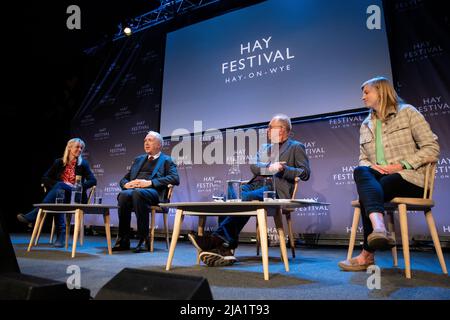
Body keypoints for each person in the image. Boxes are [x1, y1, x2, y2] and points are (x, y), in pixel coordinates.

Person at [338, 76, 440, 271]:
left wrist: (401, 165)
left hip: (412, 179)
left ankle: (367, 253)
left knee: (371, 193)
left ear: (381, 92)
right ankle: (379, 228)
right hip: (381, 180)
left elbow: (431, 148)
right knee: (362, 170)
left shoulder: (408, 113)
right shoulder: (366, 124)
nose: (362, 97)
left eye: (366, 92)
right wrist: (374, 167)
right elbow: (363, 159)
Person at [188, 114, 311, 266]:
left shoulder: (295, 147)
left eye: (270, 127)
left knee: (245, 199)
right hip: (255, 184)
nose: (267, 130)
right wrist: (268, 167)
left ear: (282, 129)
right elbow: (254, 166)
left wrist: (283, 168)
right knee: (231, 196)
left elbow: (305, 173)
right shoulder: (265, 147)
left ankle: (217, 240)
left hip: (274, 189)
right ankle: (224, 246)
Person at [17, 138, 97, 247]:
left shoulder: (83, 164)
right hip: (60, 196)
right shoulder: (59, 162)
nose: (80, 149)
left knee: (60, 187)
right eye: (77, 147)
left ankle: (35, 215)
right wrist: (62, 185)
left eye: (81, 148)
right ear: (69, 148)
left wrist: (77, 186)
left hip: (75, 196)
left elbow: (93, 180)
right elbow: (45, 178)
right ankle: (60, 236)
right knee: (59, 192)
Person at [113, 131, 180, 253]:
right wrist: (126, 184)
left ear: (159, 145)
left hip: (155, 193)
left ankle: (143, 238)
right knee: (123, 195)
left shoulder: (167, 160)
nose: (146, 143)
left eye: (150, 140)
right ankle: (123, 239)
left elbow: (175, 178)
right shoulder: (138, 159)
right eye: (145, 141)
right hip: (135, 191)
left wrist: (149, 183)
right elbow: (124, 179)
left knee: (138, 193)